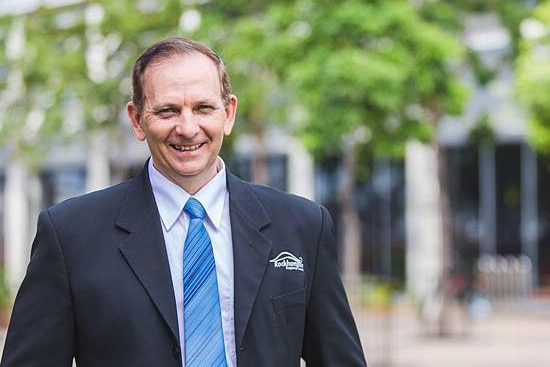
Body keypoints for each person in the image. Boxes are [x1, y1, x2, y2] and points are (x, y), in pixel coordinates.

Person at [0, 37, 367, 367]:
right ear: (137, 120)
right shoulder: (69, 235)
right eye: (167, 111)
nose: (188, 128)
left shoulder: (302, 225)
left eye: (204, 108)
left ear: (229, 113)